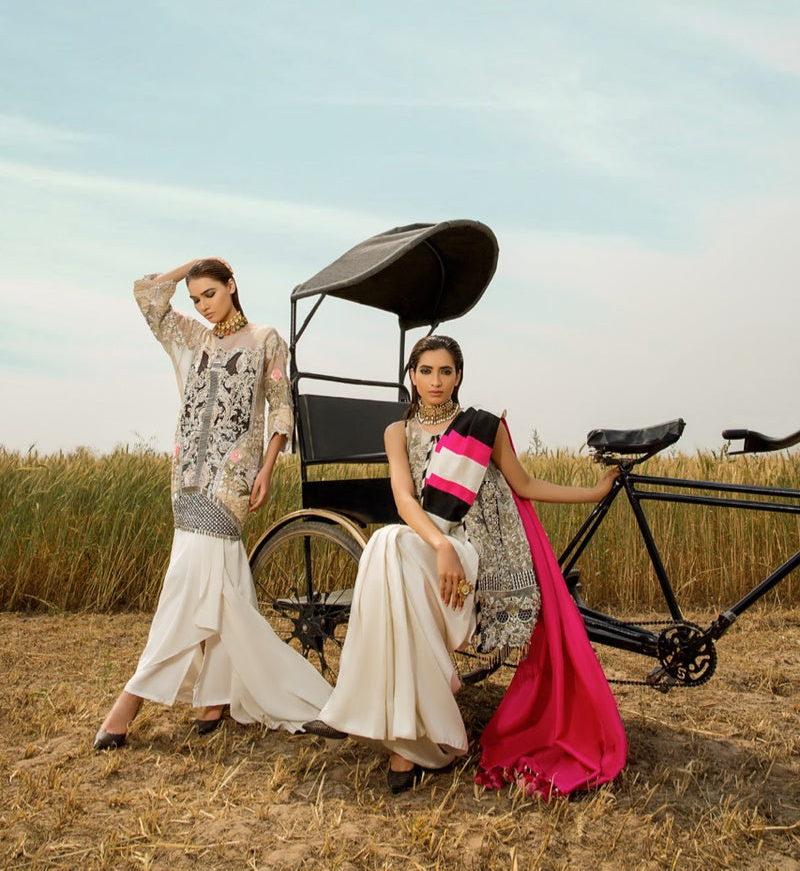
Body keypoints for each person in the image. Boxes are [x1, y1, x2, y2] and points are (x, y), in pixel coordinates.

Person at [313, 335, 627, 795]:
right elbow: (404, 500)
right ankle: (413, 724)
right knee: (387, 544)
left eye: (445, 372)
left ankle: (387, 715)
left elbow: (524, 483)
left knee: (388, 547)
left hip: (470, 552)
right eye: (425, 371)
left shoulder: (481, 426)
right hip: (429, 544)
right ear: (412, 377)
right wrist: (438, 545)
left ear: (459, 376)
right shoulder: (396, 433)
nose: (435, 381)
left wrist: (592, 494)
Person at [93, 259, 331, 750]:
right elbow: (146, 294)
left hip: (233, 478)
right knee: (222, 587)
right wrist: (190, 265)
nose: (201, 305)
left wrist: (266, 469)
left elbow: (280, 408)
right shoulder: (190, 338)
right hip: (186, 477)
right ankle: (216, 697)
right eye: (196, 297)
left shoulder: (265, 339)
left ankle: (130, 700)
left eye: (210, 294)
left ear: (232, 286)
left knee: (184, 580)